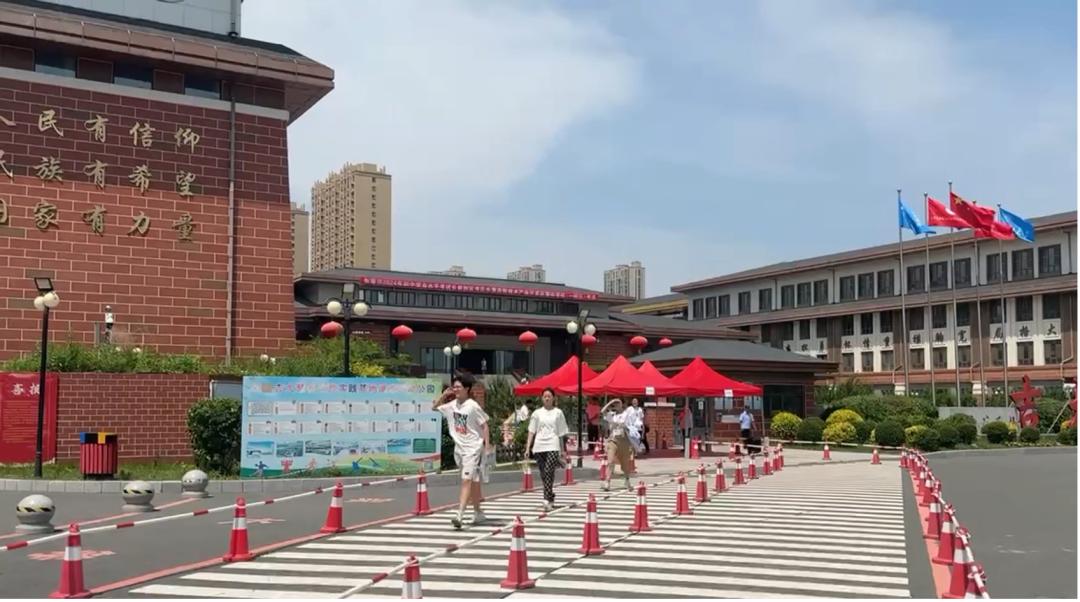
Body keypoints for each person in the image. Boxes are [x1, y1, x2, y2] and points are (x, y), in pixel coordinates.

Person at [432, 374, 492, 530]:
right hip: (459, 449)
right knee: (472, 481)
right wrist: (443, 395)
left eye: (459, 387)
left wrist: (487, 446)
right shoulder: (451, 405)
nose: (456, 389)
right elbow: (434, 408)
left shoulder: (472, 406)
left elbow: (485, 425)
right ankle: (478, 512)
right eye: (454, 387)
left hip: (473, 448)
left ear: (467, 389)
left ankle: (460, 515)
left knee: (466, 481)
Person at [524, 388, 569, 511]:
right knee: (544, 473)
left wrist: (563, 450)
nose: (547, 398)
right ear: (542, 398)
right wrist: (528, 448)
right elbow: (531, 431)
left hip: (553, 445)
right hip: (539, 446)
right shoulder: (537, 413)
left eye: (549, 396)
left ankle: (546, 498)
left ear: (553, 398)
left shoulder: (558, 413)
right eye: (545, 396)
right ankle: (550, 495)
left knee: (549, 470)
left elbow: (561, 433)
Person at [601, 398, 635, 491]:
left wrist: (624, 426)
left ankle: (627, 480)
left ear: (622, 405)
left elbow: (630, 424)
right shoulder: (611, 415)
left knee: (625, 464)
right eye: (615, 404)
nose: (616, 405)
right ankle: (607, 481)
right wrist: (610, 403)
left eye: (618, 403)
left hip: (624, 441)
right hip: (613, 440)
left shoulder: (626, 414)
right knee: (610, 461)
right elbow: (602, 411)